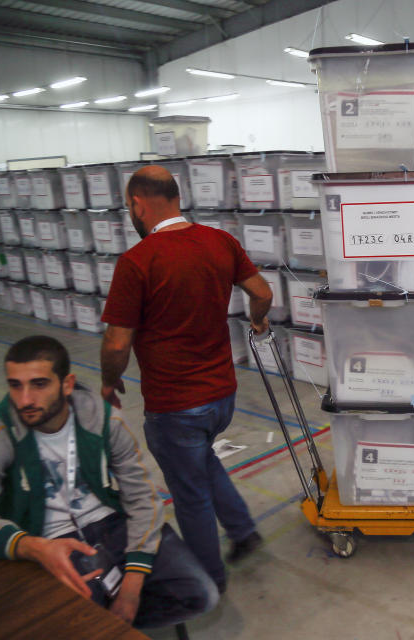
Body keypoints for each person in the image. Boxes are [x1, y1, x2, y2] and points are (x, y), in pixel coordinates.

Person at [0, 335, 217, 629]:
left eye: (39, 384)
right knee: (75, 623)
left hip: (112, 525)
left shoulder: (103, 421)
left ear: (66, 384)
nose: (24, 399)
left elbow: (142, 497)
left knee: (201, 595)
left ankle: (113, 624)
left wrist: (131, 588)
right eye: (15, 385)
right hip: (48, 541)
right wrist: (31, 547)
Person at [100, 166, 273, 593]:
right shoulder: (220, 241)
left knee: (189, 491)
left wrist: (108, 382)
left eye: (129, 207)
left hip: (175, 404)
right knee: (201, 460)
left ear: (138, 204)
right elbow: (263, 293)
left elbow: (117, 345)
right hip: (222, 396)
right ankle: (243, 530)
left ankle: (207, 581)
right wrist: (258, 321)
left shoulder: (137, 262)